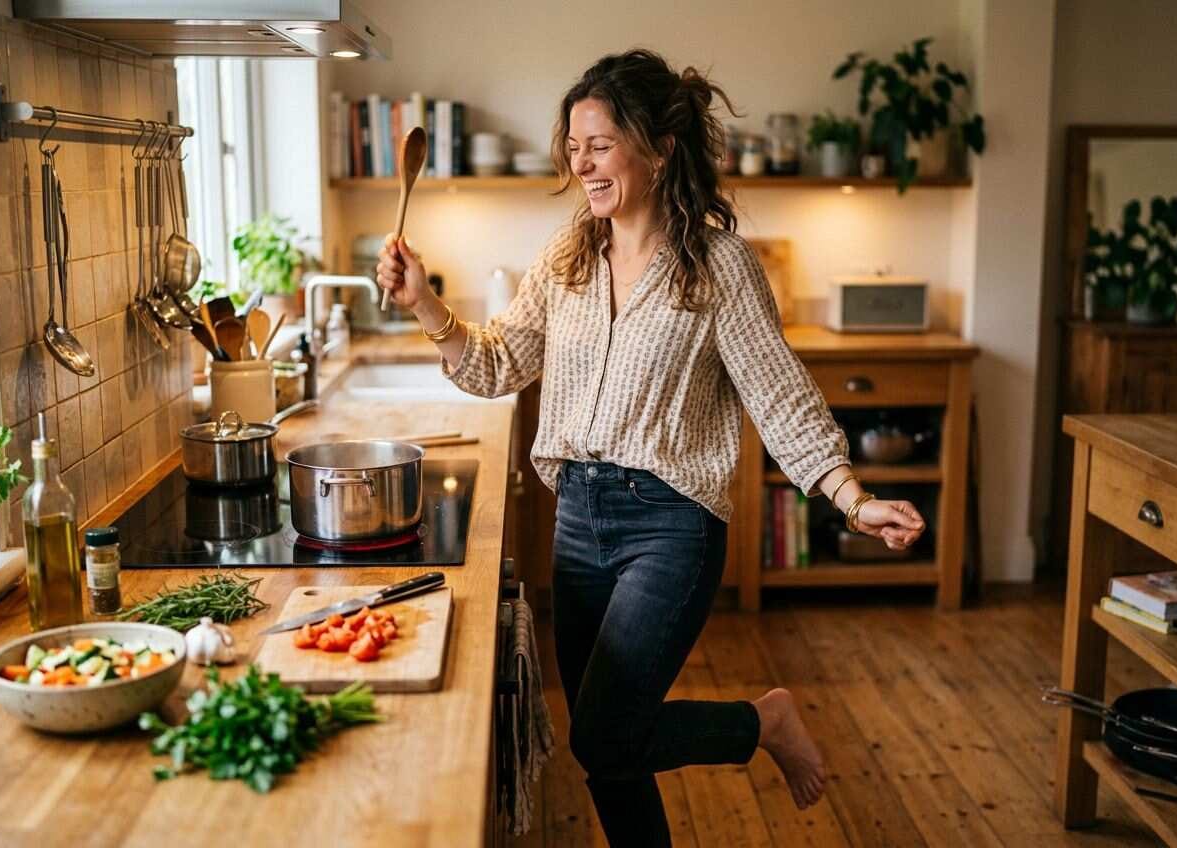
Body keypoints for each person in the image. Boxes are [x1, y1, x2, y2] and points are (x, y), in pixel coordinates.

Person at [377, 48, 926, 847]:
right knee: (611, 753)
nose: (583, 164)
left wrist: (855, 497)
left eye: (599, 145)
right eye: (574, 148)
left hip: (672, 524)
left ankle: (760, 725)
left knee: (602, 733)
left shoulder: (719, 267)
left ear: (660, 148)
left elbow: (779, 395)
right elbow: (496, 366)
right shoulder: (565, 262)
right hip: (579, 519)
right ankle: (757, 728)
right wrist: (424, 302)